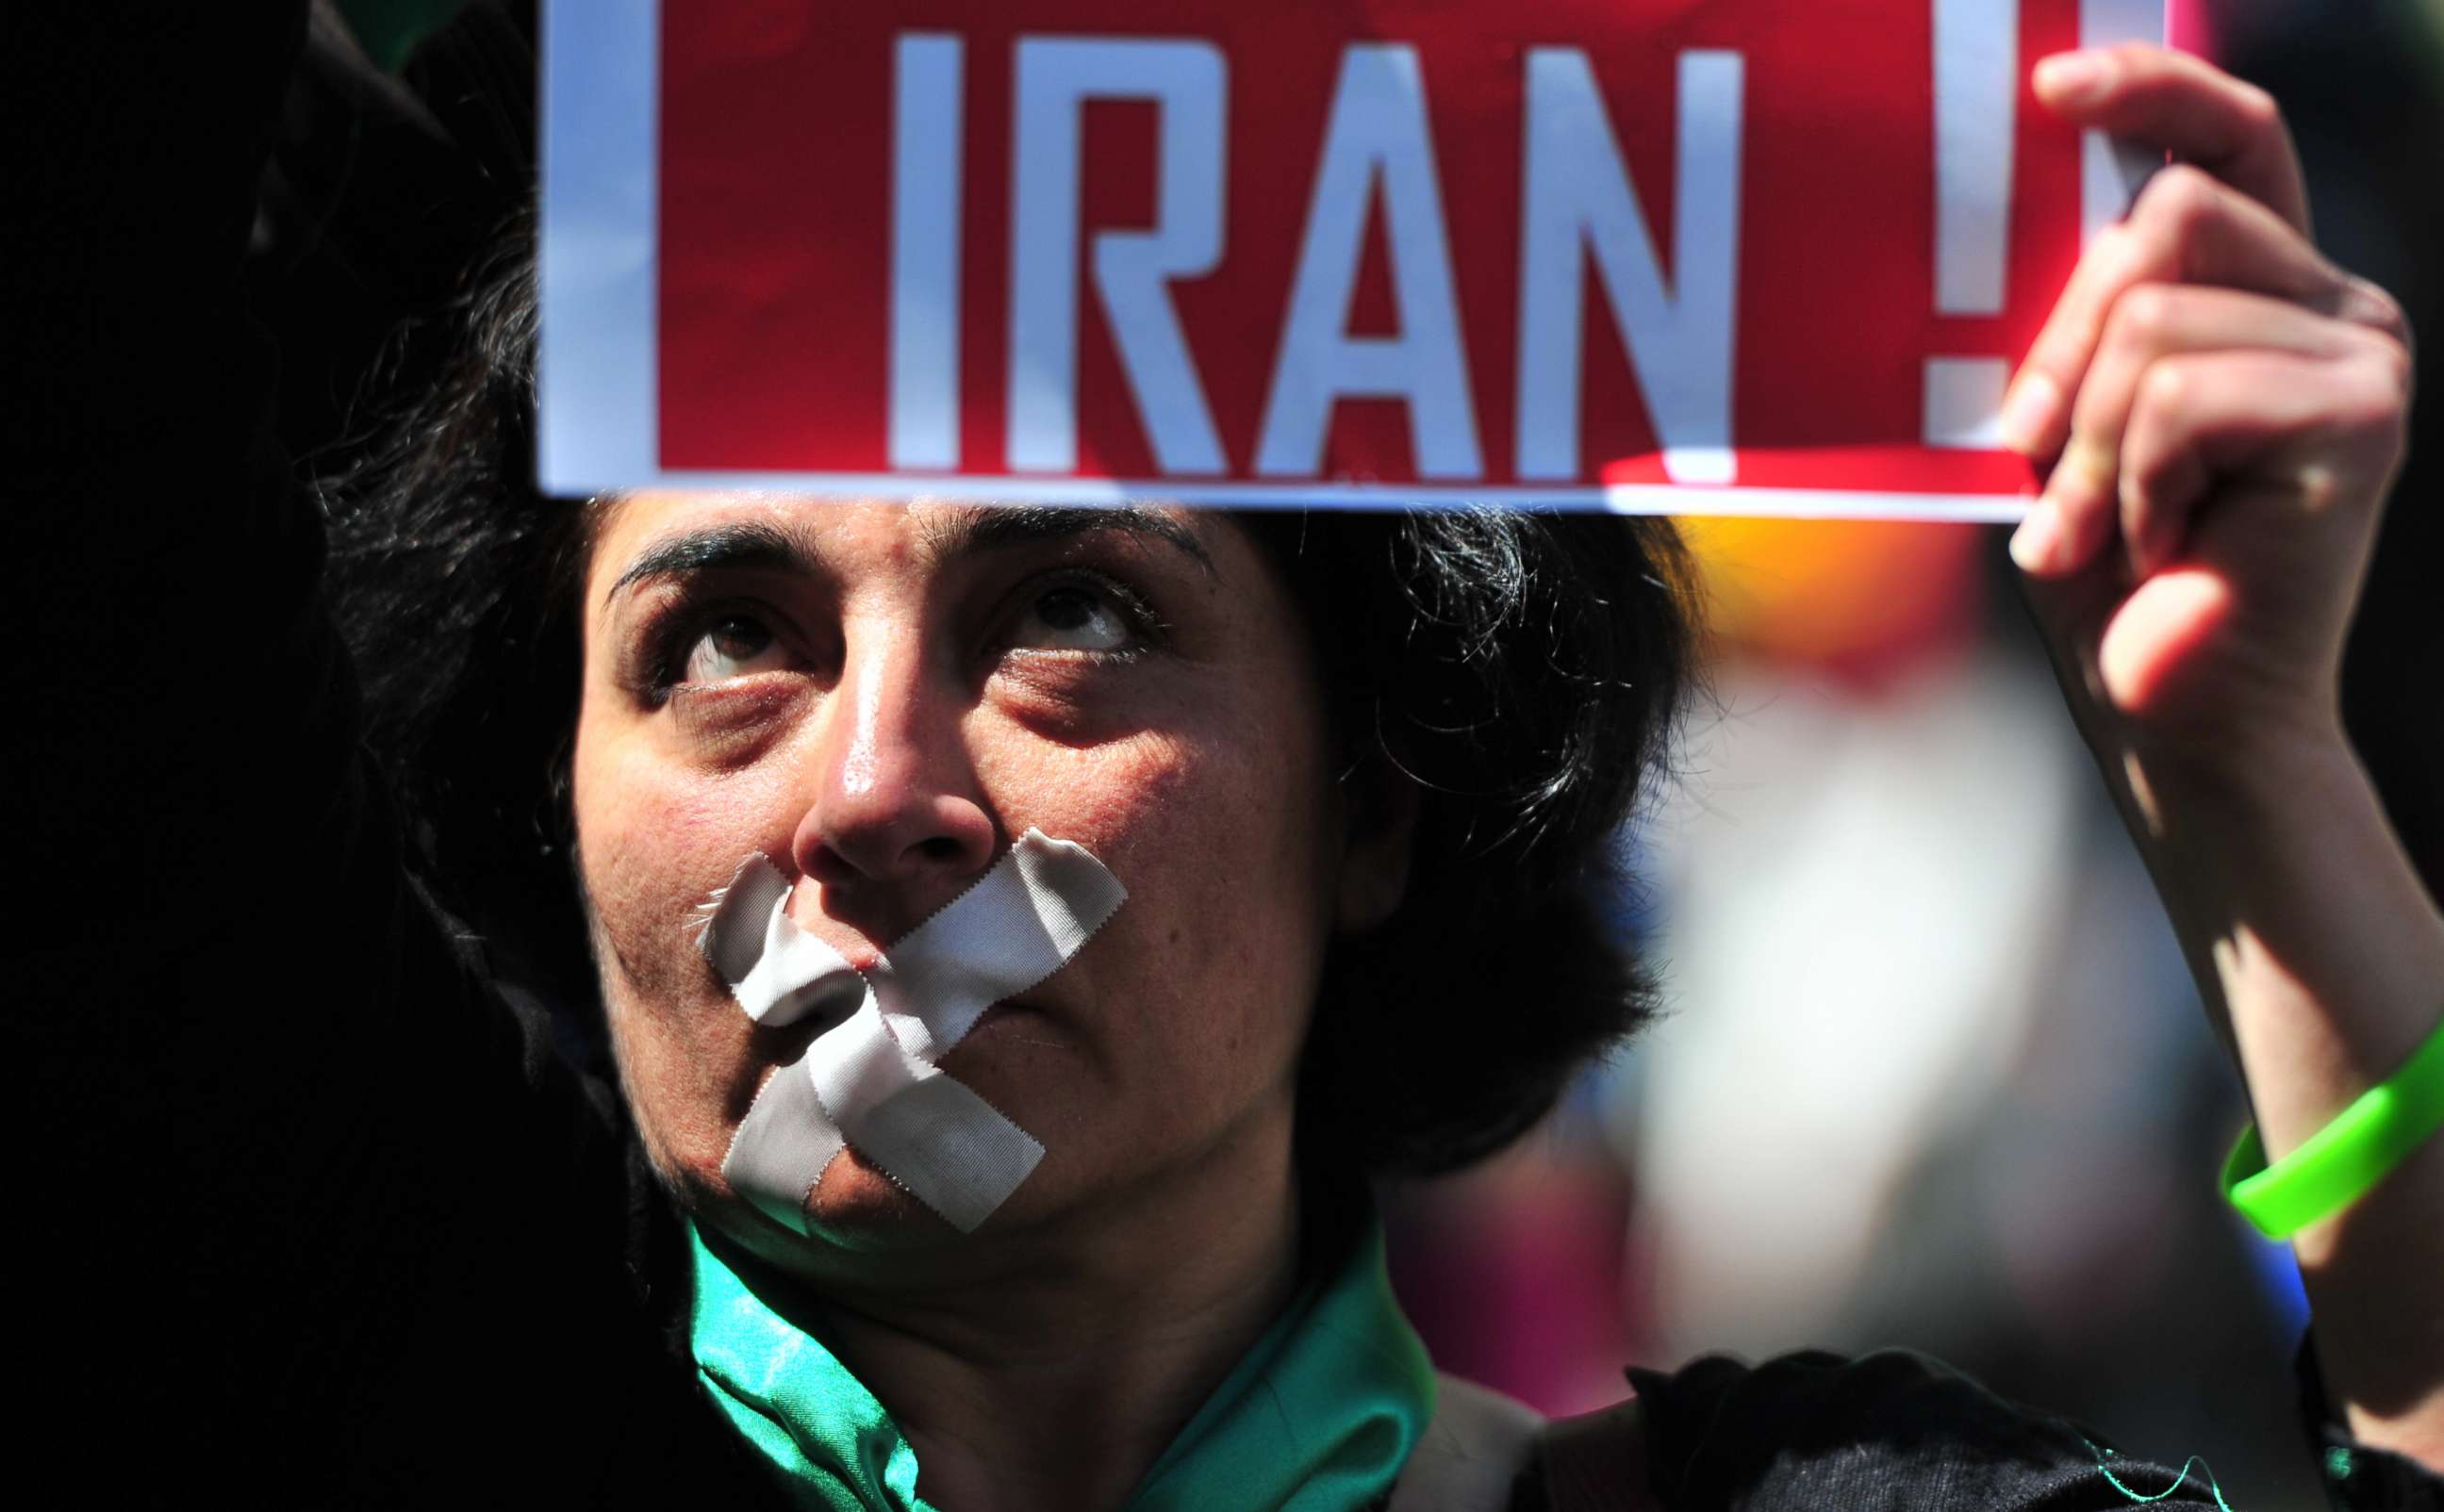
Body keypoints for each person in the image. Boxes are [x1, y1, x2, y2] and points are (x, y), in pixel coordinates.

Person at [10, 5, 2439, 1508]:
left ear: (1380, 791)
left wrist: (2266, 787)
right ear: (548, 777)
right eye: (726, 636)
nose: (873, 782)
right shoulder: (336, 1389)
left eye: (1069, 619)